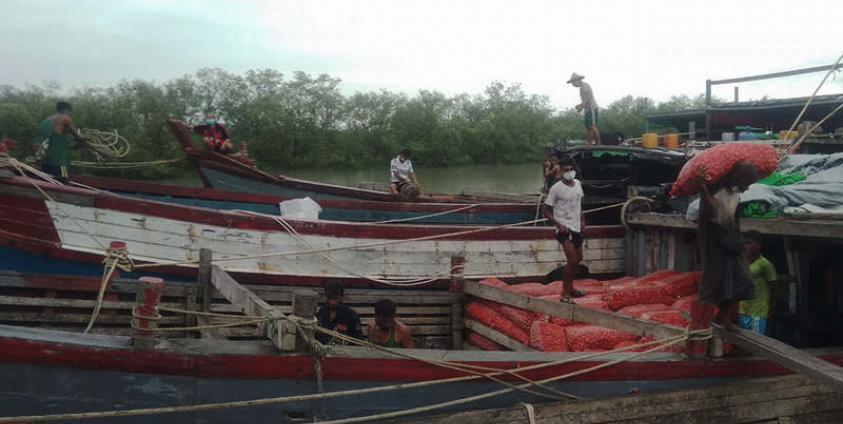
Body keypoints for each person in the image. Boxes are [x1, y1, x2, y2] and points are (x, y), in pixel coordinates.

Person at [695, 162, 760, 331]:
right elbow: (711, 212)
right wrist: (702, 187)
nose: (747, 188)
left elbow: (734, 218)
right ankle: (700, 324)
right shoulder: (715, 188)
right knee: (712, 281)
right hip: (714, 236)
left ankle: (722, 316)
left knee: (745, 281)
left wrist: (741, 243)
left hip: (731, 235)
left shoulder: (737, 192)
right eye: (746, 183)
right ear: (737, 177)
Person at [542, 156, 586, 303]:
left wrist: (582, 220)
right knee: (572, 260)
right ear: (560, 171)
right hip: (564, 229)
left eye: (571, 169)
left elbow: (579, 204)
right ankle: (565, 292)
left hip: (577, 227)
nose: (569, 172)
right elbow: (546, 210)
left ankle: (571, 287)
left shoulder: (578, 184)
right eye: (566, 170)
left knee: (579, 259)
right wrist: (558, 224)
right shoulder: (556, 188)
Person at [738, 231, 777, 335]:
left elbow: (774, 287)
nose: (746, 246)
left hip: (758, 311)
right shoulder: (741, 262)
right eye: (744, 243)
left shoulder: (765, 264)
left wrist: (771, 310)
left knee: (756, 341)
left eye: (749, 243)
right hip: (743, 309)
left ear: (759, 245)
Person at [38, 101, 87, 181]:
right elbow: (79, 137)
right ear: (66, 110)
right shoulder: (65, 118)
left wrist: (73, 145)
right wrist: (85, 139)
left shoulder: (47, 120)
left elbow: (54, 140)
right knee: (63, 179)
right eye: (69, 111)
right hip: (59, 161)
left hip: (44, 160)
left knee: (48, 180)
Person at [315, 280, 364, 344]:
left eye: (335, 298)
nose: (331, 302)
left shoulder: (351, 316)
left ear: (342, 297)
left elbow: (358, 341)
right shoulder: (321, 313)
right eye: (329, 298)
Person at [566, 73, 602, 146]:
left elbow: (589, 96)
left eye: (573, 82)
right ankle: (589, 143)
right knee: (589, 127)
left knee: (592, 126)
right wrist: (580, 105)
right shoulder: (582, 87)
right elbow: (585, 99)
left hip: (591, 107)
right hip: (587, 109)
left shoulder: (584, 85)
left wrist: (581, 106)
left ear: (577, 80)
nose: (573, 84)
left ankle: (599, 142)